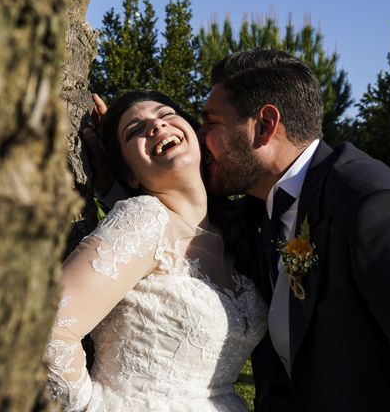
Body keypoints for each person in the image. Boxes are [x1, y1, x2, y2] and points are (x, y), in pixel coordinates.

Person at [199, 50, 390, 411]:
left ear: (264, 125)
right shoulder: (260, 208)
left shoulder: (376, 209)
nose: (199, 138)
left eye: (210, 123)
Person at [44, 91, 268, 411]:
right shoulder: (143, 219)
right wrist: (86, 405)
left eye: (165, 114)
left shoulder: (236, 231)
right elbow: (51, 324)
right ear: (131, 175)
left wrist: (110, 188)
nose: (156, 125)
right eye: (134, 130)